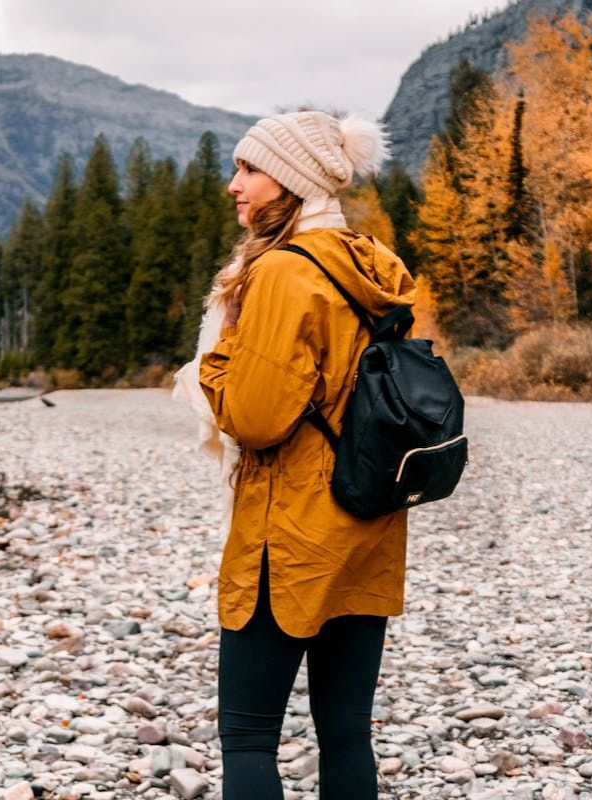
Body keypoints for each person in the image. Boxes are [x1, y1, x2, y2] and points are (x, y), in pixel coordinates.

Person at [173, 109, 416, 798]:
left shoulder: (281, 273)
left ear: (290, 181)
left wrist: (212, 364)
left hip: (286, 540)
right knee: (346, 735)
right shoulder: (368, 262)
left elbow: (255, 419)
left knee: (249, 740)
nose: (234, 186)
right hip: (365, 523)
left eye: (248, 170)